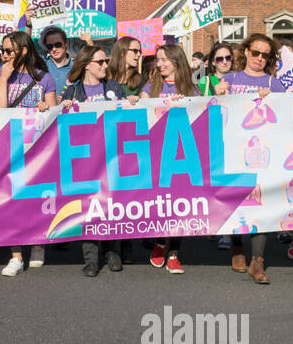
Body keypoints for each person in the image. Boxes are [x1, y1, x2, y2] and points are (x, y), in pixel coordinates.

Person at [215, 33, 285, 283]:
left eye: (265, 55)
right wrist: (218, 93)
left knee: (260, 203)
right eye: (255, 53)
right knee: (235, 200)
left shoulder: (273, 83)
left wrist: (274, 100)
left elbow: (285, 118)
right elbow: (215, 112)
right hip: (233, 150)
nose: (260, 58)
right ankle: (237, 248)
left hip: (262, 153)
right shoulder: (229, 79)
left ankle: (258, 261)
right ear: (245, 52)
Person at [0, 30, 57, 276]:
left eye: (8, 50)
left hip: (38, 147)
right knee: (12, 199)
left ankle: (38, 242)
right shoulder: (3, 74)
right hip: (11, 146)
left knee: (36, 197)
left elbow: (53, 113)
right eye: (2, 50)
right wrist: (5, 80)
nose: (4, 54)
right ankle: (17, 256)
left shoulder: (44, 77)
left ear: (23, 51)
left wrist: (44, 107)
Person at [61, 45, 128, 276]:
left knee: (111, 205)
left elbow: (127, 116)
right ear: (86, 64)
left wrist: (132, 102)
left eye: (106, 61)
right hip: (85, 161)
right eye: (100, 62)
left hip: (111, 157)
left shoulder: (113, 87)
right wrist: (63, 109)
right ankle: (91, 259)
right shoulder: (72, 92)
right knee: (88, 208)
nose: (105, 65)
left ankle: (112, 251)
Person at [138, 44, 198, 274]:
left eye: (164, 60)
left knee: (182, 206)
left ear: (176, 61)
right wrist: (136, 102)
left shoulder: (191, 89)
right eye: (158, 60)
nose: (160, 64)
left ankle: (174, 253)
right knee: (162, 203)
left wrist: (189, 104)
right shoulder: (151, 86)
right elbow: (139, 115)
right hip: (156, 155)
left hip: (183, 156)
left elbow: (201, 119)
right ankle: (160, 242)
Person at [39, 26, 73, 93]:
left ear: (65, 44)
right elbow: (26, 50)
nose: (54, 49)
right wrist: (29, 25)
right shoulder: (41, 63)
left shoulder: (75, 67)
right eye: (50, 46)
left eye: (58, 44)